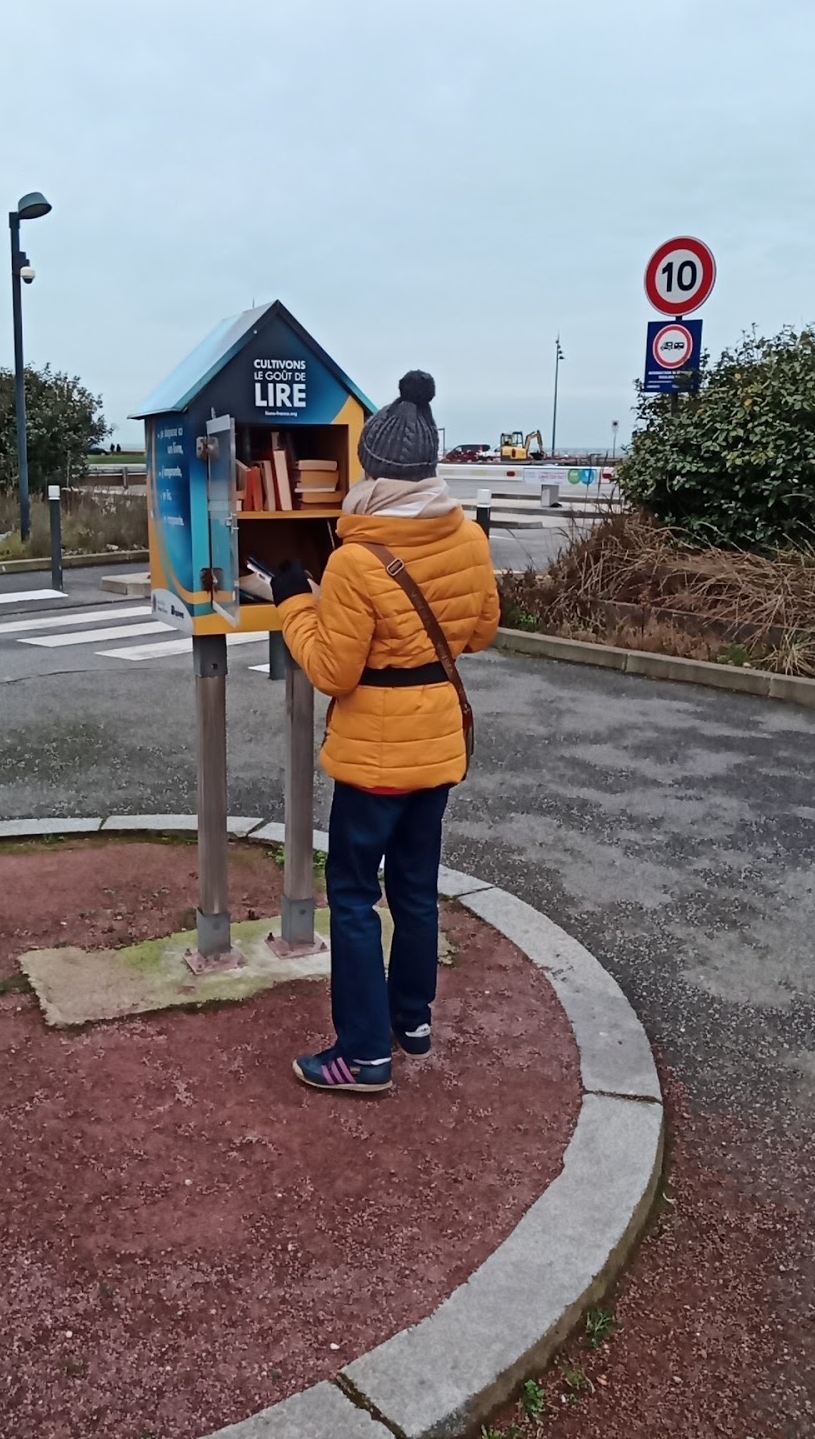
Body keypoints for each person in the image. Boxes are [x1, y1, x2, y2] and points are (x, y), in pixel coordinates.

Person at [271, 370, 500, 1093]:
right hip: (438, 744)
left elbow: (333, 671)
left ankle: (364, 1055)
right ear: (428, 467)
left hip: (375, 755)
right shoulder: (465, 537)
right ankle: (413, 1020)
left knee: (351, 893)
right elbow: (483, 630)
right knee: (415, 888)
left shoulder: (354, 557)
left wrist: (290, 605)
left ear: (371, 467)